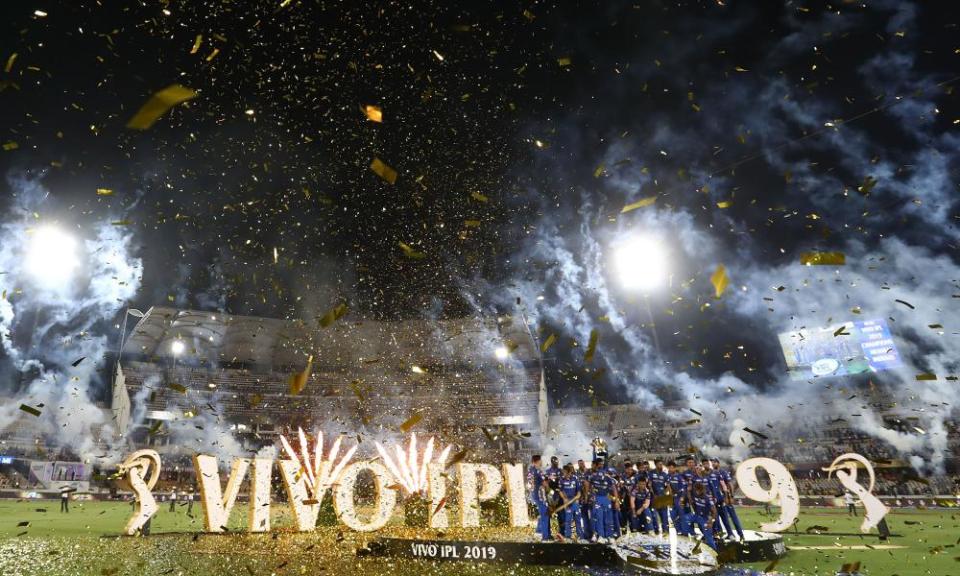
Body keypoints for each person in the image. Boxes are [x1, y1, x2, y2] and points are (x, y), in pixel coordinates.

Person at [585, 458, 618, 542]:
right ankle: (601, 536)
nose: (601, 466)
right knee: (599, 517)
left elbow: (614, 488)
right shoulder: (592, 476)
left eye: (602, 464)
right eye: (599, 464)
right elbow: (587, 485)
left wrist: (616, 500)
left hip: (606, 498)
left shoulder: (607, 476)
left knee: (608, 517)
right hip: (597, 498)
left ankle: (609, 536)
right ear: (596, 465)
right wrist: (588, 495)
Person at [714, 458, 745, 540]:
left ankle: (741, 534)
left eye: (715, 462)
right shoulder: (712, 473)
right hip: (719, 500)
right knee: (724, 518)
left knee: (733, 516)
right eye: (712, 462)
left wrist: (731, 496)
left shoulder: (723, 472)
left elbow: (730, 484)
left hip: (726, 498)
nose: (713, 464)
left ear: (718, 463)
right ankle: (730, 534)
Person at [685, 482, 718, 550]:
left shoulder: (708, 499)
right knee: (684, 519)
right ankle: (693, 534)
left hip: (705, 518)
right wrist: (688, 491)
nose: (697, 492)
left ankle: (715, 553)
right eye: (696, 490)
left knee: (708, 537)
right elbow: (691, 501)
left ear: (702, 490)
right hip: (697, 516)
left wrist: (711, 522)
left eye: (698, 490)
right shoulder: (695, 495)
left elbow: (714, 512)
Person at [527, 455, 552, 540]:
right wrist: (550, 491)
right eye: (541, 460)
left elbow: (530, 483)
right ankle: (545, 537)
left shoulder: (530, 470)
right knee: (545, 514)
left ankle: (538, 532)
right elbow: (544, 483)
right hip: (540, 496)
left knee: (543, 514)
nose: (542, 462)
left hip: (535, 495)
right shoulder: (538, 471)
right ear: (538, 461)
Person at [558, 464, 585, 540]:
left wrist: (577, 498)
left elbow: (579, 492)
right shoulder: (561, 479)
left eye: (565, 472)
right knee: (568, 520)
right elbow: (560, 491)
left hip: (575, 503)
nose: (563, 474)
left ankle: (581, 537)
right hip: (567, 503)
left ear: (569, 472)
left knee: (578, 520)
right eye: (563, 472)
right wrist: (564, 498)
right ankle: (568, 537)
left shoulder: (575, 478)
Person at [666, 460, 690, 535]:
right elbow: (667, 487)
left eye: (672, 468)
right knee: (673, 515)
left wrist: (682, 498)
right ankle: (678, 530)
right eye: (669, 468)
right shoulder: (667, 476)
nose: (670, 469)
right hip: (671, 499)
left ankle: (685, 532)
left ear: (675, 468)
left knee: (682, 515)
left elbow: (683, 488)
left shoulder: (679, 477)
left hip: (679, 499)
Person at [544, 456, 564, 534]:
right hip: (550, 494)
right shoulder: (547, 471)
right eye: (555, 461)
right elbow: (545, 483)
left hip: (558, 493)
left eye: (557, 461)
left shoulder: (561, 471)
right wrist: (548, 492)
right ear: (552, 462)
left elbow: (562, 482)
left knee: (561, 514)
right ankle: (547, 533)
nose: (556, 463)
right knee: (549, 513)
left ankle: (562, 532)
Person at [575, 459, 593, 540]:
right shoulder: (577, 473)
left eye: (582, 463)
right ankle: (586, 534)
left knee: (592, 516)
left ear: (584, 463)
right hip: (582, 499)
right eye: (579, 464)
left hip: (591, 498)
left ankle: (594, 533)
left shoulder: (589, 472)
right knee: (584, 516)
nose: (581, 465)